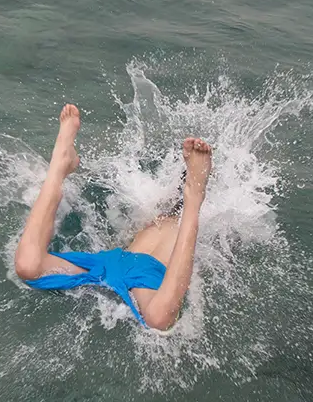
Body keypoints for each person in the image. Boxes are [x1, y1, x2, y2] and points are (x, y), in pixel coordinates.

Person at [13, 104, 213, 331]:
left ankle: (195, 196)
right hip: (113, 267)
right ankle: (60, 163)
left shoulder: (182, 226)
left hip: (142, 281)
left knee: (158, 319)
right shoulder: (158, 219)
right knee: (27, 265)